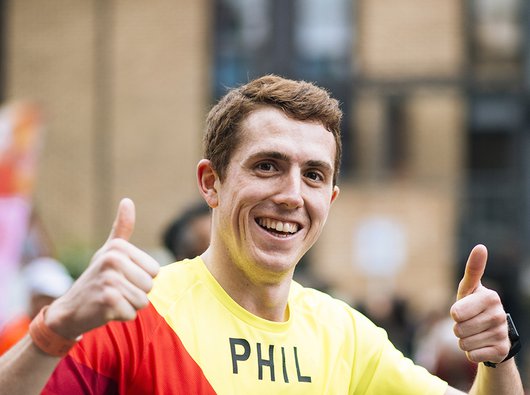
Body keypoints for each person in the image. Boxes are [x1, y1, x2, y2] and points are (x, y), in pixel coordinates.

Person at [0, 75, 524, 394]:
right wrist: (56, 327)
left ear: (330, 201)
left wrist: (498, 356)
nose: (292, 195)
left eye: (314, 175)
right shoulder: (137, 310)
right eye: (268, 166)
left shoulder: (345, 333)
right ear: (212, 183)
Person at [0, 257, 73, 356]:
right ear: (33, 298)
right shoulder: (15, 334)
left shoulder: (61, 330)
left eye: (58, 296)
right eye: (48, 298)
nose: (54, 302)